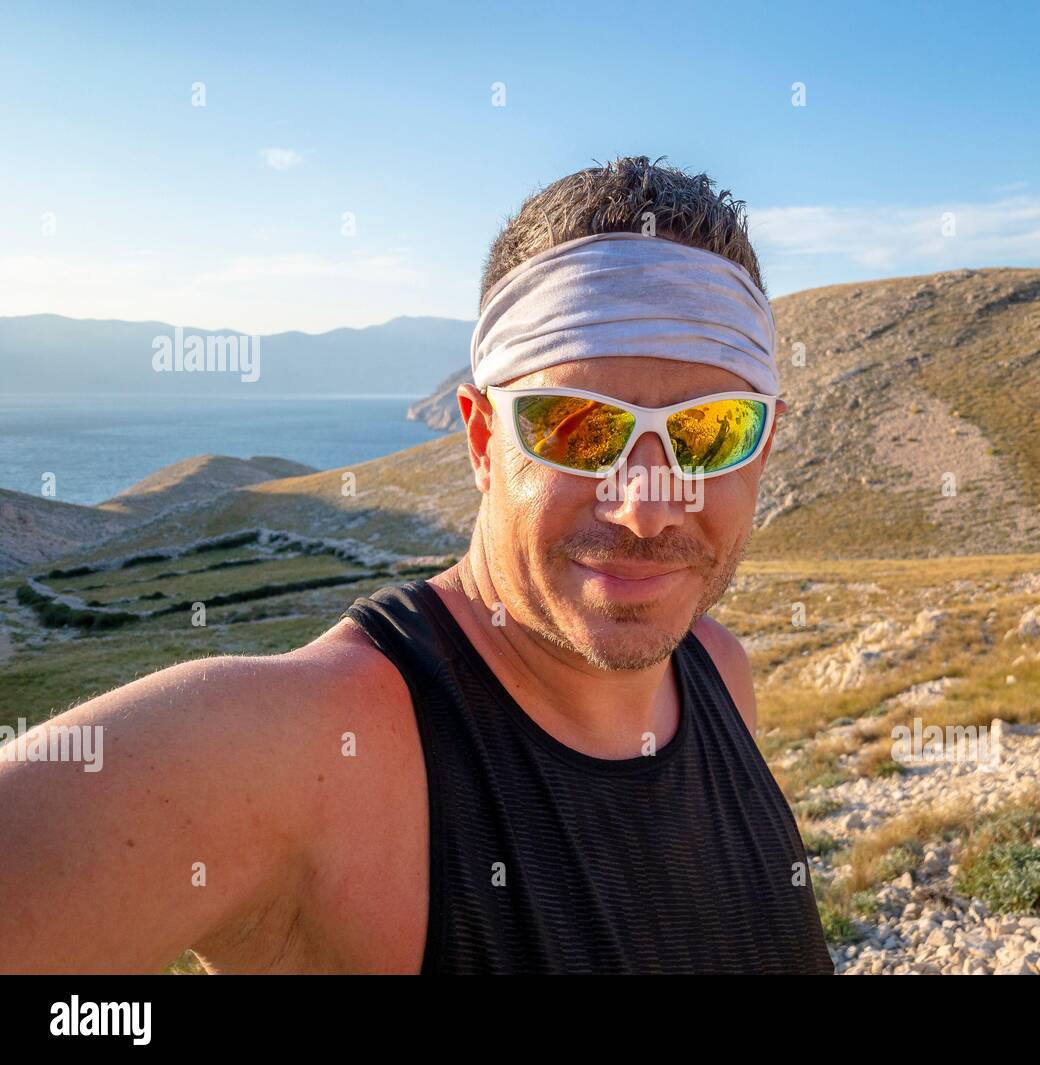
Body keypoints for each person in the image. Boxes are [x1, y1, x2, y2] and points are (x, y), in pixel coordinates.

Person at [0, 156, 834, 975]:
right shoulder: (323, 750)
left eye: (710, 433)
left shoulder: (721, 673)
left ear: (764, 445)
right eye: (579, 426)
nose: (645, 505)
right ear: (480, 439)